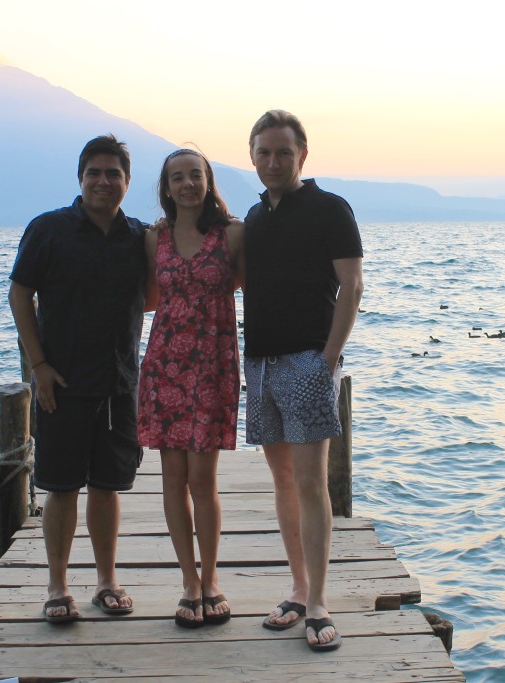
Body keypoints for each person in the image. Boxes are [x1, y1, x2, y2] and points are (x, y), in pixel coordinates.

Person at [8, 135, 146, 623]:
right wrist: (39, 366)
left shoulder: (140, 237)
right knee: (61, 487)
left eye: (114, 173)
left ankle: (107, 581)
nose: (103, 181)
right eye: (94, 172)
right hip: (61, 383)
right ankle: (57, 587)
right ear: (80, 178)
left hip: (119, 382)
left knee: (108, 487)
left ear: (127, 182)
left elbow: (159, 289)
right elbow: (20, 295)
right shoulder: (48, 230)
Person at [242, 110, 364, 651]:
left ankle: (318, 601)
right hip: (262, 362)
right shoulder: (254, 216)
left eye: (283, 153)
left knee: (312, 483)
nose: (273, 161)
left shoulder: (330, 209)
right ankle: (297, 588)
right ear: (252, 156)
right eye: (264, 152)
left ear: (302, 155)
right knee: (283, 480)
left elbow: (352, 286)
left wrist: (329, 360)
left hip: (308, 361)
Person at [137, 149, 244, 628]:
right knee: (172, 478)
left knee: (204, 480)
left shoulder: (233, 235)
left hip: (213, 364)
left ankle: (212, 579)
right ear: (166, 187)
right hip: (165, 365)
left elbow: (252, 285)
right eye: (177, 177)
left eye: (194, 175)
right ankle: (188, 582)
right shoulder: (153, 238)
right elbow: (148, 299)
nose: (186, 184)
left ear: (208, 180)